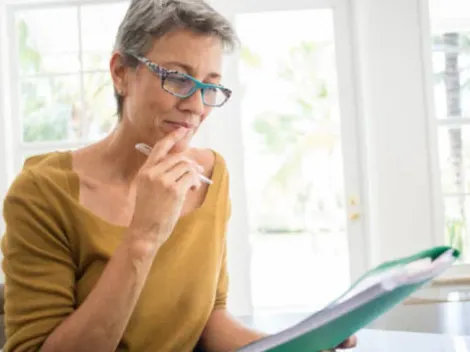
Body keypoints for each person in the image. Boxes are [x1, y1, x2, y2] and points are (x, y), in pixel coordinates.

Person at [1, 0, 357, 351]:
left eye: (209, 85)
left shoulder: (211, 176)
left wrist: (301, 346)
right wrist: (143, 236)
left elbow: (209, 322)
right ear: (121, 73)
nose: (197, 107)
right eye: (177, 78)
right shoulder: (42, 193)